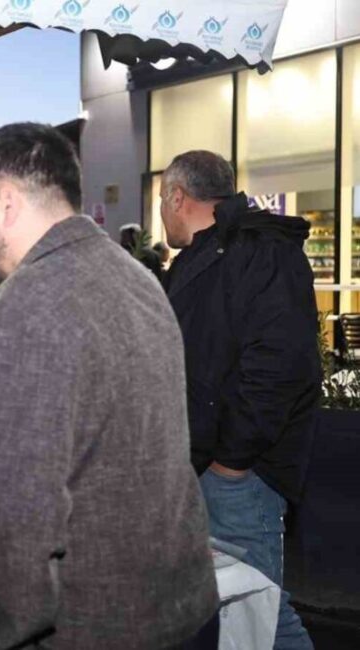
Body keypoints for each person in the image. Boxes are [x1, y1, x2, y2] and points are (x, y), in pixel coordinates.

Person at [0, 123, 218, 649]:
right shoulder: (133, 277)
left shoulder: (26, 306)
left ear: (6, 204)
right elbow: (71, 351)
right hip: (180, 611)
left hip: (94, 628)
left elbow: (21, 518)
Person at [159, 150, 320, 650]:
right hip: (206, 469)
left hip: (237, 477)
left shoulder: (259, 251)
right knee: (232, 615)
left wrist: (231, 462)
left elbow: (279, 368)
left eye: (163, 201)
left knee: (260, 615)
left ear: (178, 197)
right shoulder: (208, 256)